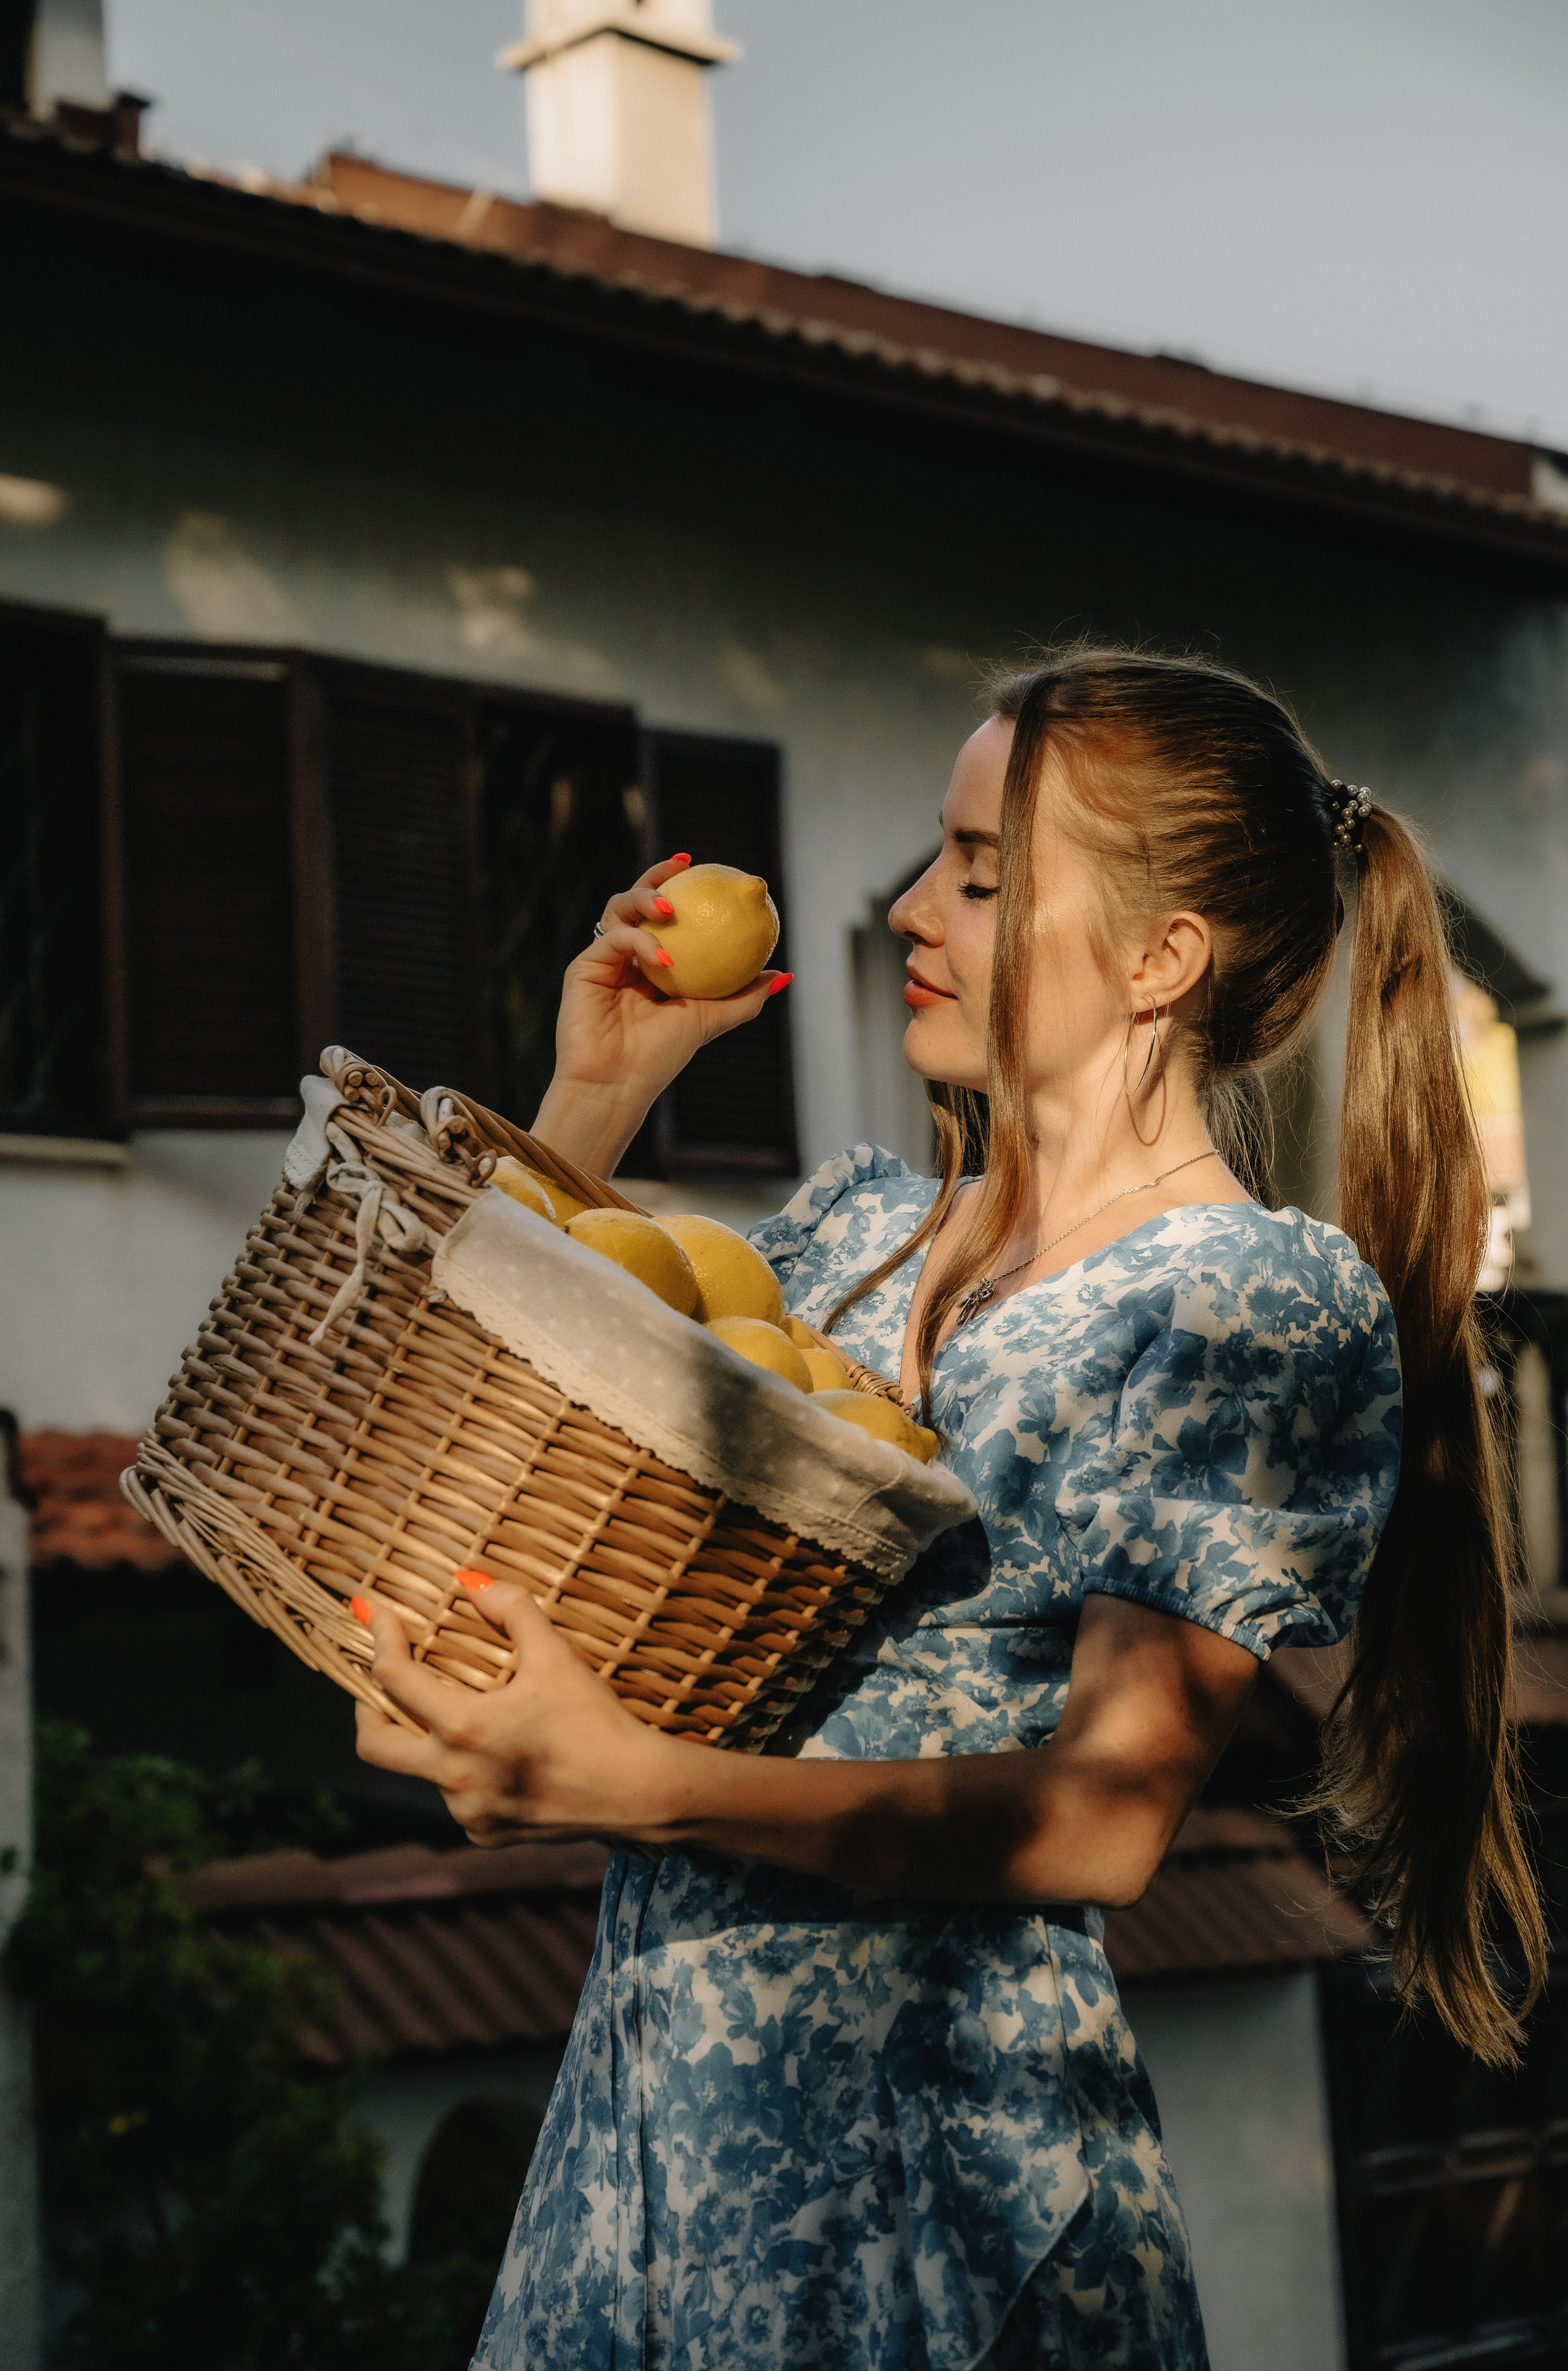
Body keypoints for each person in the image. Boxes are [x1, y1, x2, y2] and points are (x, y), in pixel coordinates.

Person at [355, 650, 1545, 2370]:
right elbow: (507, 1450)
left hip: (926, 2192)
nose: (916, 906)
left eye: (983, 874)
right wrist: (598, 1094)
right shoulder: (849, 1242)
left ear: (1161, 958)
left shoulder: (1234, 1299)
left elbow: (1100, 1821)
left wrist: (633, 1785)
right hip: (645, 2152)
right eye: (936, 857)